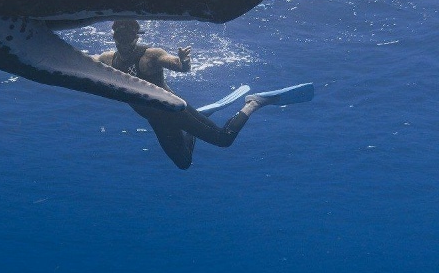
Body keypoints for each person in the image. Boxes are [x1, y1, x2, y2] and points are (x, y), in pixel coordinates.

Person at [93, 19, 313, 170]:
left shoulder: (150, 55)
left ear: (136, 37)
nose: (124, 45)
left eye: (129, 39)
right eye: (120, 40)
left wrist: (184, 59)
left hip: (175, 111)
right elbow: (82, 61)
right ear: (114, 38)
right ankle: (203, 114)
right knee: (184, 163)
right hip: (155, 120)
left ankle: (255, 102)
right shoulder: (107, 59)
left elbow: (180, 67)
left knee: (223, 139)